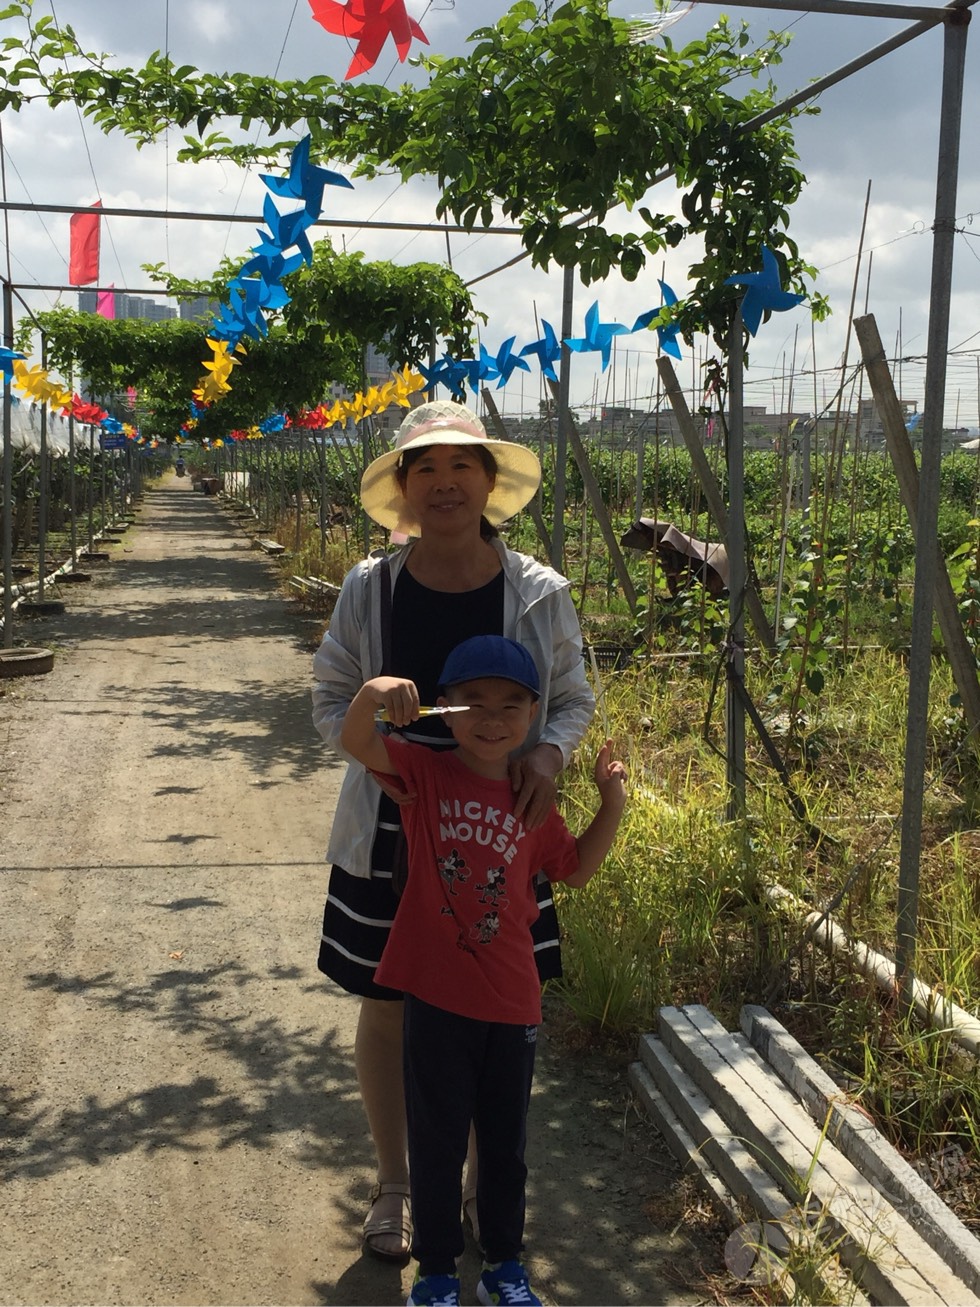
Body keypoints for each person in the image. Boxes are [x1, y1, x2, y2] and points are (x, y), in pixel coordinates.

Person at [311, 400, 595, 1262]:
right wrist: (374, 729)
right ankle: (397, 1182)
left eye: (461, 466)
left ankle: (478, 1184)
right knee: (392, 1005)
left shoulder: (537, 593)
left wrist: (546, 758)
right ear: (404, 488)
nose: (445, 482)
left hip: (499, 834)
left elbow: (574, 700)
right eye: (425, 468)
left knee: (494, 1011)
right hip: (397, 827)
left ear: (488, 482)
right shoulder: (371, 589)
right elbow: (329, 703)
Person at [340, 635, 627, 1307]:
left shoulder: (533, 798)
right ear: (445, 708)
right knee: (437, 1145)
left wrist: (611, 801)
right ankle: (436, 1272)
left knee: (504, 1148)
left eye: (511, 704)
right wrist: (376, 692)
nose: (493, 718)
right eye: (474, 702)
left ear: (532, 715)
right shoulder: (423, 773)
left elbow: (576, 868)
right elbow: (358, 739)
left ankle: (505, 1266)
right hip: (437, 1002)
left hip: (512, 1005)